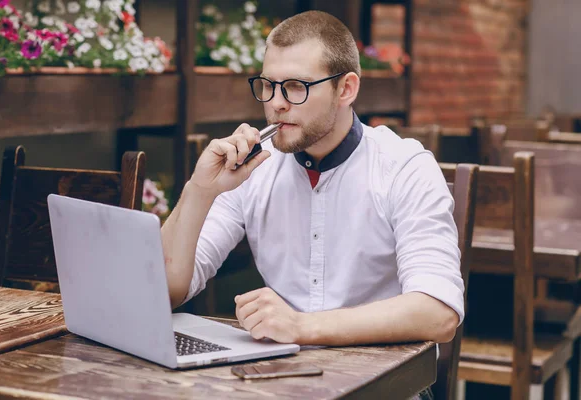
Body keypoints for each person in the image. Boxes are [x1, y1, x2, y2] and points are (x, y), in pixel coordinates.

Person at [161, 9, 463, 367]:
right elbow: (165, 291)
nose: (275, 103)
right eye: (268, 85)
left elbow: (438, 312)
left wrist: (302, 326)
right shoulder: (255, 167)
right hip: (281, 378)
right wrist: (200, 189)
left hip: (384, 382)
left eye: (295, 87)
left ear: (346, 89)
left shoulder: (404, 166)